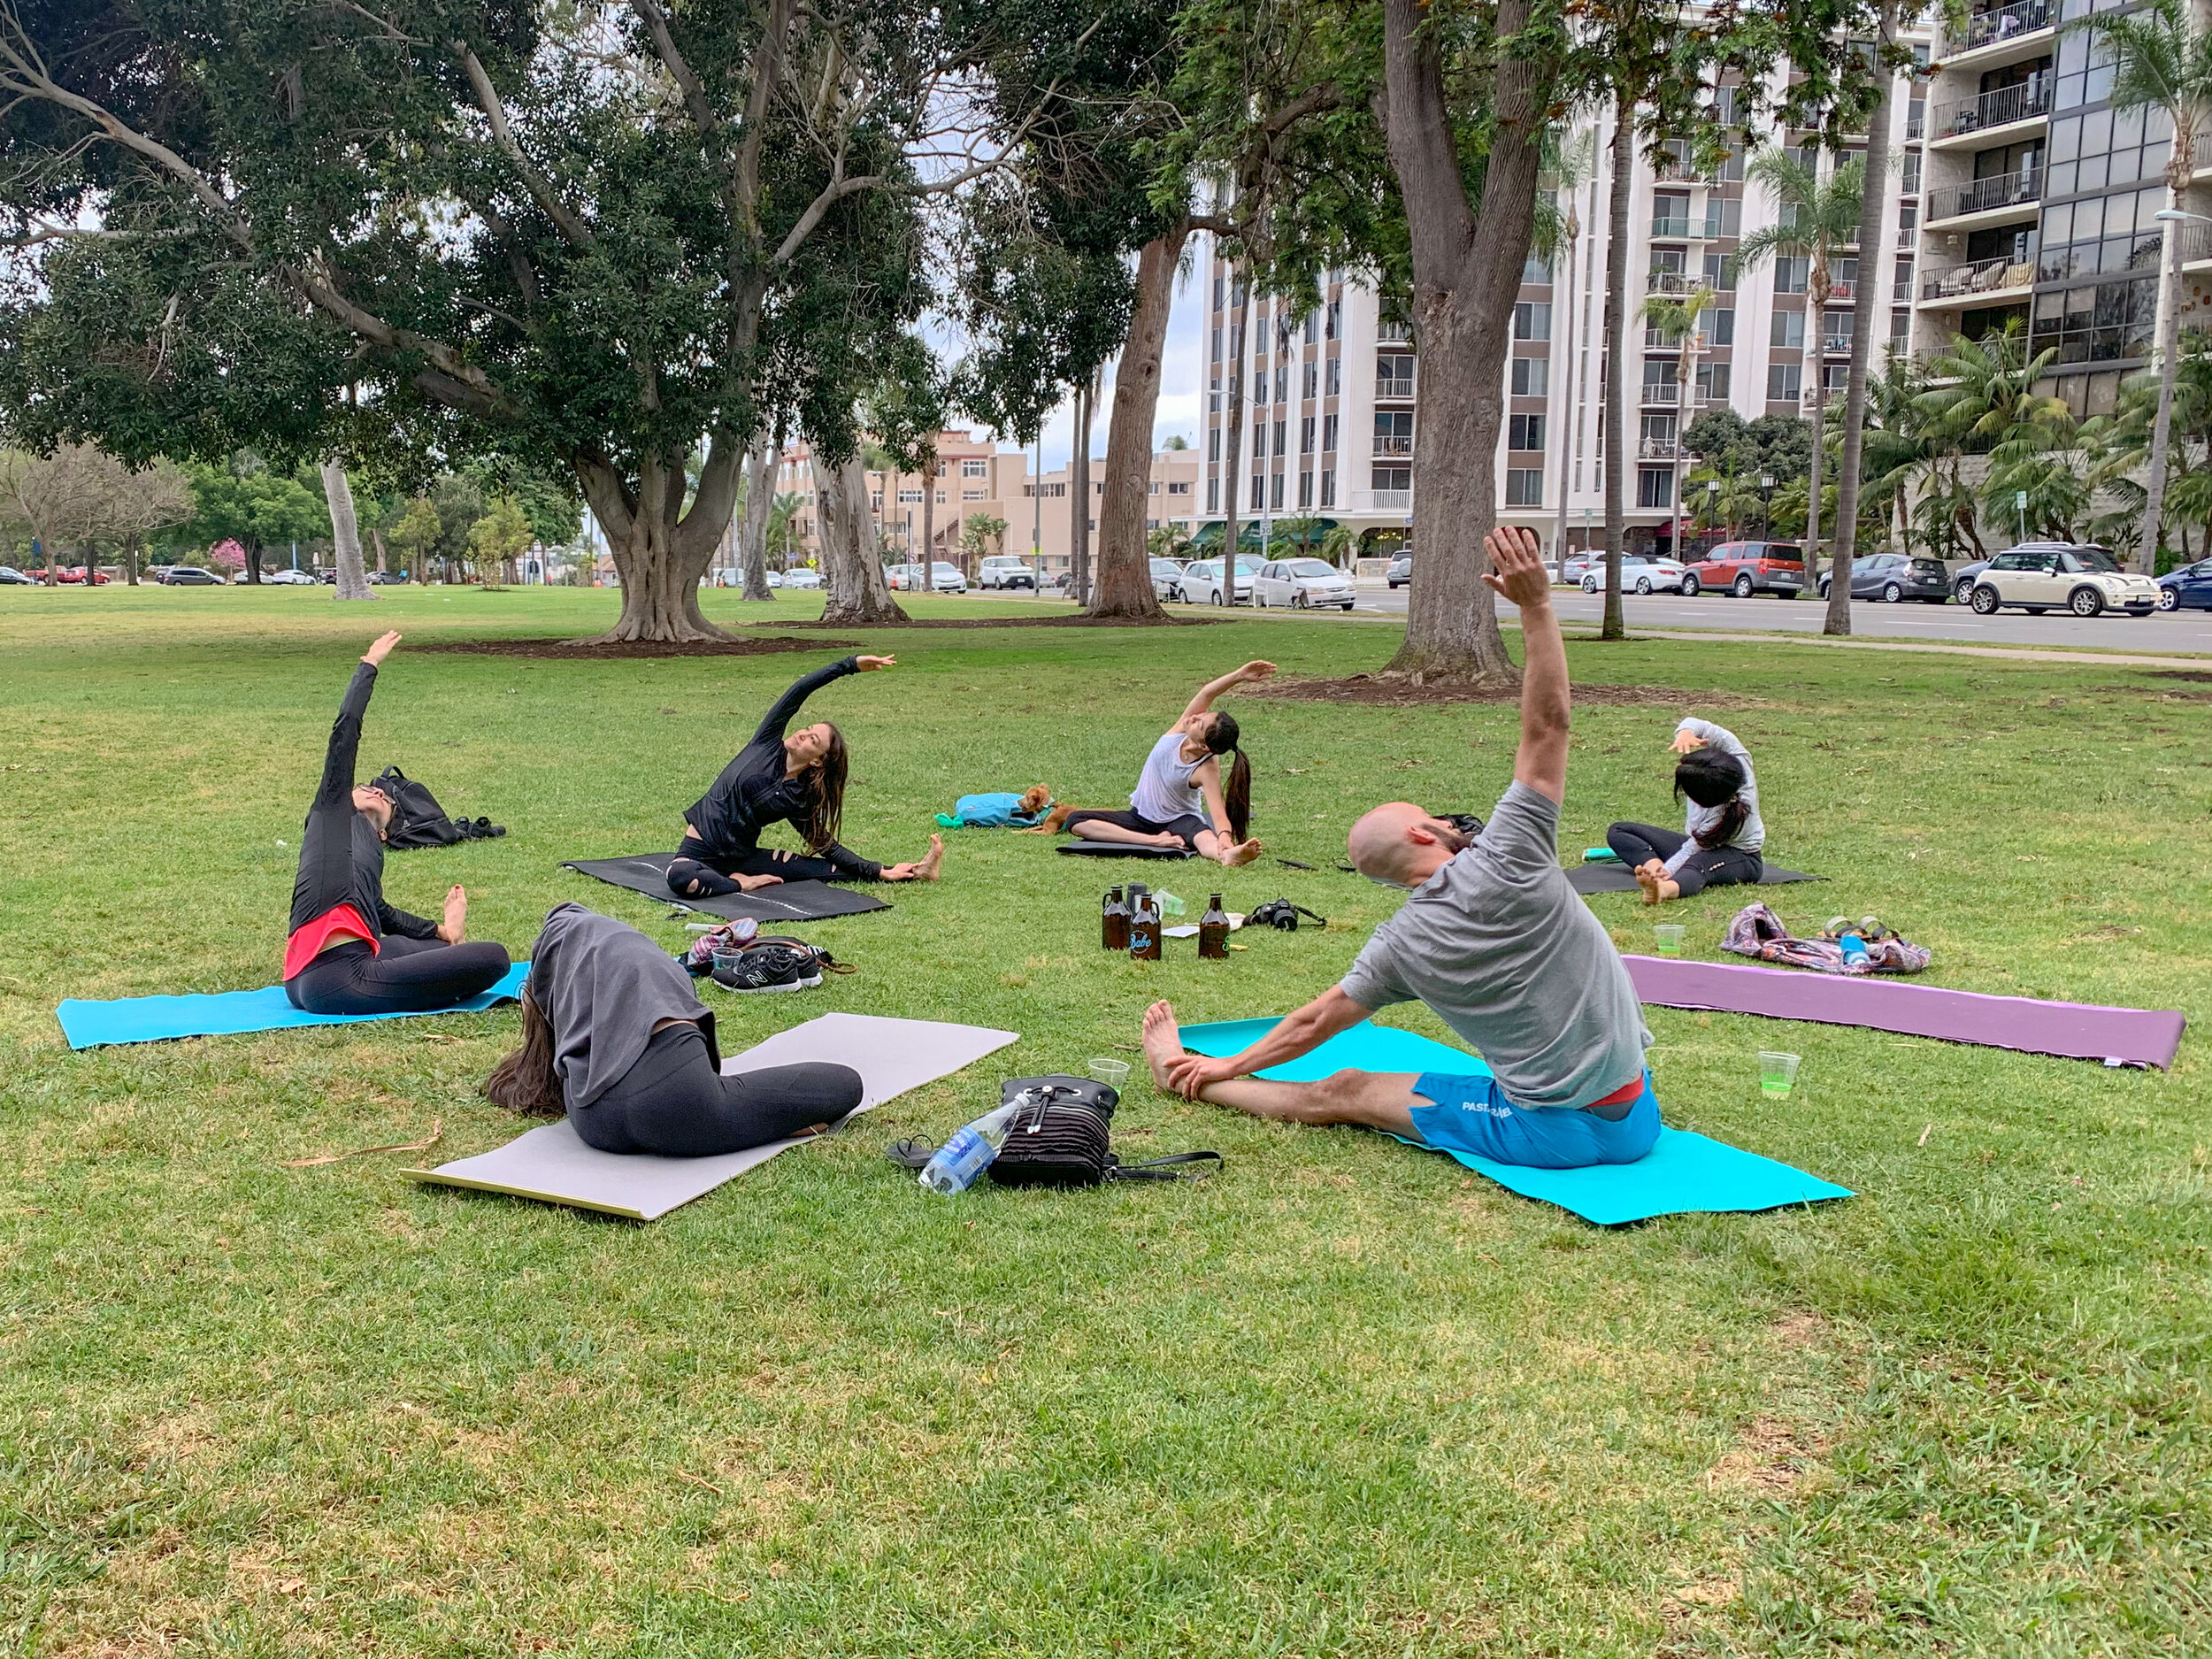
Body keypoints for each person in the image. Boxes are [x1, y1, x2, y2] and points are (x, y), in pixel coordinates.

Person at [1141, 528, 1659, 1171]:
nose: (1442, 817)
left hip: (1556, 1130)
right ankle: (1195, 1077)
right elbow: (1548, 725)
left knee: (1346, 1089)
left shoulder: (1403, 945)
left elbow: (1313, 1024)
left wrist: (1230, 1060)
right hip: (1636, 1114)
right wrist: (1536, 607)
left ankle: (1195, 1078)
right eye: (1429, 814)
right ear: (1424, 833)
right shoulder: (1514, 854)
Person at [485, 902, 862, 1156]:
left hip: (594, 1124)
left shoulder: (570, 977)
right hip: (679, 1108)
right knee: (844, 1084)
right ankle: (761, 1121)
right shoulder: (633, 951)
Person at [284, 631, 512, 1015]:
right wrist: (368, 665)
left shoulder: (371, 846)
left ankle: (449, 939)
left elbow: (381, 913)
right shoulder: (329, 814)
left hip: (321, 974)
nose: (375, 790)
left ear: (387, 831)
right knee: (495, 958)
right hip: (339, 978)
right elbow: (344, 737)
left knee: (441, 948)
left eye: (384, 797)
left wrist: (443, 930)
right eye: (363, 787)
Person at [667, 654, 943, 899]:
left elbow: (825, 844)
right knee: (681, 880)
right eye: (808, 729)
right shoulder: (765, 743)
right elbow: (799, 691)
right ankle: (739, 884)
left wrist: (880, 871)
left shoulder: (797, 797)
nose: (802, 733)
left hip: (741, 857)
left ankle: (918, 871)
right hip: (699, 852)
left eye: (813, 739)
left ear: (817, 760)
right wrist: (850, 665)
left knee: (826, 869)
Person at [1024, 661, 1271, 866]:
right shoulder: (1181, 730)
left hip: (1179, 821)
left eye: (1200, 724)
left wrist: (1225, 839)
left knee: (1203, 835)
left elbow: (1217, 814)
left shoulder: (1206, 765)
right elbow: (1207, 692)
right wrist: (1239, 675)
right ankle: (1153, 841)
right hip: (1140, 818)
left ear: (1205, 746)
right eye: (1202, 716)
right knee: (1076, 821)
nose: (1195, 717)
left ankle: (1227, 856)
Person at [1605, 718, 1764, 904]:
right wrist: (1686, 732)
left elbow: (1691, 850)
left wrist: (1668, 873)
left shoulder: (1714, 819)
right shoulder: (1739, 762)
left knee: (1698, 864)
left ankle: (1663, 890)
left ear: (1703, 799)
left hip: (1742, 858)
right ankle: (1654, 870)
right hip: (1701, 844)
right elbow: (1704, 726)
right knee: (1619, 831)